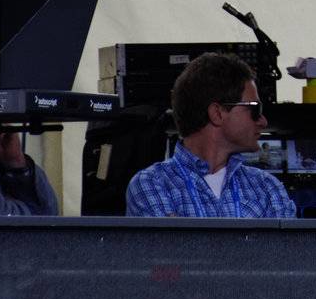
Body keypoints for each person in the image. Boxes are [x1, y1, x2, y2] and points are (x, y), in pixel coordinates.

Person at [124, 52, 295, 218]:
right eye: (254, 109)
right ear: (217, 113)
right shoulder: (151, 184)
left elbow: (287, 248)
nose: (263, 121)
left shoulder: (267, 186)